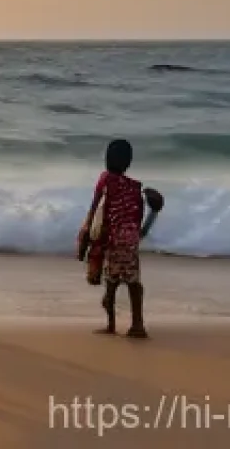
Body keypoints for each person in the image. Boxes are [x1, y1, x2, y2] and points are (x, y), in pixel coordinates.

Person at [79, 139, 163, 339]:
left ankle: (111, 324)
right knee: (134, 283)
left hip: (113, 238)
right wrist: (154, 214)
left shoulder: (105, 179)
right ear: (129, 163)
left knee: (111, 282)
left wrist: (86, 233)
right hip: (131, 239)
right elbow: (136, 218)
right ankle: (138, 325)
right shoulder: (135, 187)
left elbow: (96, 205)